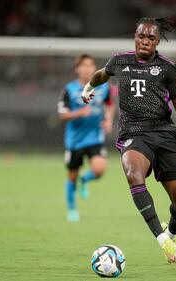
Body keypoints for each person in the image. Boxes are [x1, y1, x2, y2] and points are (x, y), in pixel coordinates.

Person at [81, 17, 176, 263]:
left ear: (157, 42)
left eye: (151, 38)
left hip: (165, 134)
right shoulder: (119, 61)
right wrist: (88, 88)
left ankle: (172, 232)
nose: (145, 41)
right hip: (134, 133)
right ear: (135, 37)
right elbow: (102, 74)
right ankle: (161, 240)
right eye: (141, 36)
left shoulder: (167, 69)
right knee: (133, 174)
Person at [57, 54, 115, 222]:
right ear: (77, 69)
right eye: (84, 65)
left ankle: (85, 179)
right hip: (74, 140)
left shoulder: (102, 86)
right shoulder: (69, 89)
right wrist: (79, 113)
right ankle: (72, 208)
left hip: (95, 137)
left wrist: (108, 120)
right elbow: (62, 114)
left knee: (99, 170)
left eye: (91, 65)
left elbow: (109, 104)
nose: (88, 69)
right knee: (71, 176)